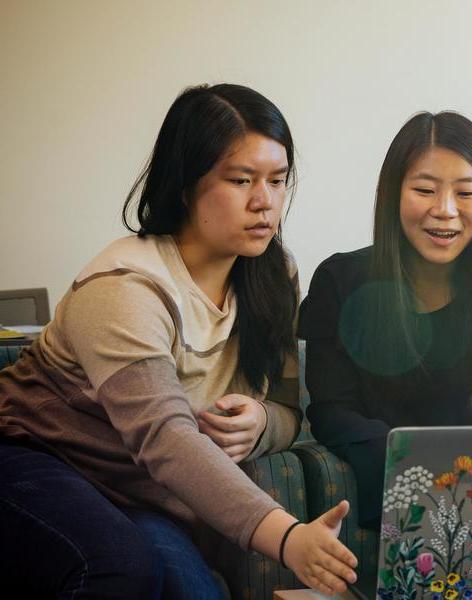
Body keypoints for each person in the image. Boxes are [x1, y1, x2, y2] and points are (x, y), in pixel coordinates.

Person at [0, 84, 357, 599]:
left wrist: (260, 422)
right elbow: (164, 437)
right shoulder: (125, 286)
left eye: (278, 181)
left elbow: (286, 409)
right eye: (241, 180)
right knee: (117, 569)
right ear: (187, 184)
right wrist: (288, 537)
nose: (265, 201)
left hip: (134, 490)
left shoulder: (274, 275)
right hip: (35, 458)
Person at [299, 111, 472, 528]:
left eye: (465, 193)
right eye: (425, 189)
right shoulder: (342, 284)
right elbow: (333, 412)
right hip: (389, 515)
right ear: (393, 194)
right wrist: (420, 476)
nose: (445, 211)